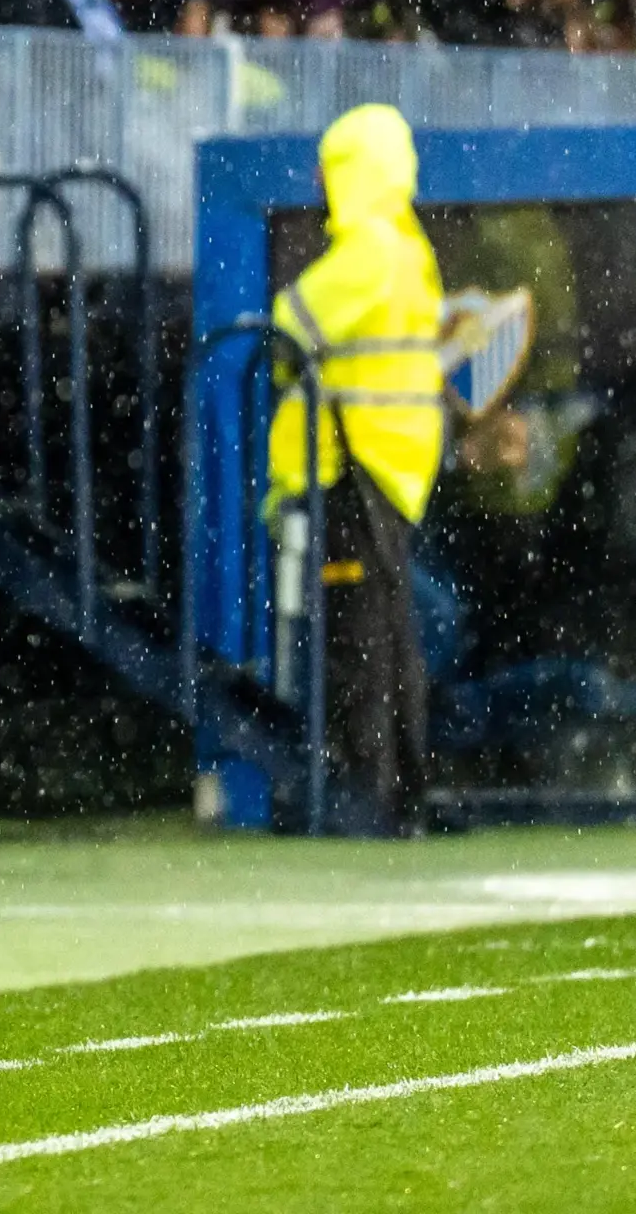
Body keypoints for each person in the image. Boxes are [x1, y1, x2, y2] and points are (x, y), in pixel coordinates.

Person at [270, 104, 444, 838]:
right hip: (392, 461)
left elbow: (290, 321)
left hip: (358, 462)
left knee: (359, 635)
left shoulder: (370, 249)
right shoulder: (410, 246)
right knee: (391, 629)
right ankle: (405, 788)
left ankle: (365, 792)